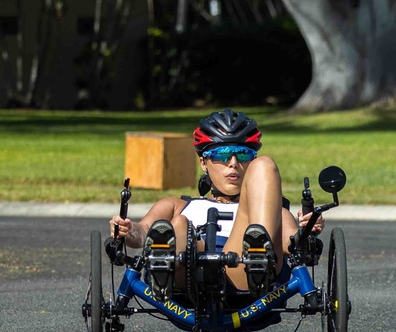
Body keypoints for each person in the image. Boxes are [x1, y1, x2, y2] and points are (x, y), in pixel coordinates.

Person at [109, 108, 324, 302]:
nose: (233, 163)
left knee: (266, 165)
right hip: (189, 271)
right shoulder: (177, 206)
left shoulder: (272, 211)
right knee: (180, 224)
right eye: (221, 154)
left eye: (242, 154)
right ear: (203, 162)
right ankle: (164, 267)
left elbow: (292, 243)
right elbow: (143, 232)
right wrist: (127, 230)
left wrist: (306, 231)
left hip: (242, 270)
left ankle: (258, 259)